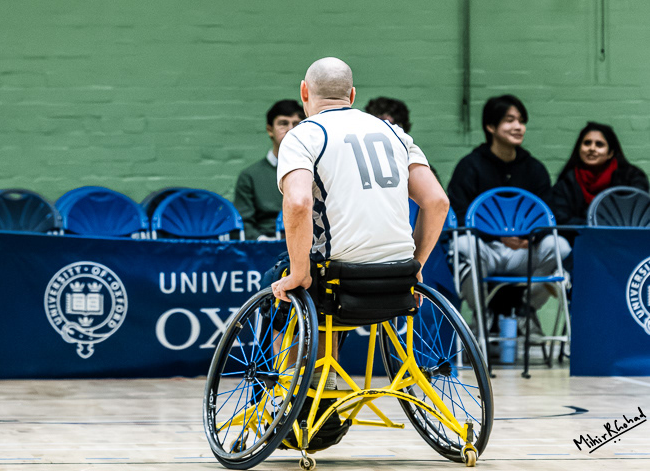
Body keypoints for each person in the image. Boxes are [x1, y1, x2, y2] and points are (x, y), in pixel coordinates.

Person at [270, 57, 448, 400]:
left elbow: (297, 204)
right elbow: (438, 202)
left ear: (304, 92)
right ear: (352, 94)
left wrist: (298, 272)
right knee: (316, 277)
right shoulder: (394, 133)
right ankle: (321, 377)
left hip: (341, 278)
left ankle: (293, 390)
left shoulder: (303, 136)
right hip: (398, 277)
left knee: (284, 279)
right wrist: (417, 266)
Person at [447, 94, 570, 318]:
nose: (518, 127)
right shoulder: (470, 166)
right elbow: (460, 212)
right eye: (510, 120)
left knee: (559, 246)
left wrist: (532, 238)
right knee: (462, 245)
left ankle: (525, 309)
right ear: (491, 126)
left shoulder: (534, 168)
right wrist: (497, 238)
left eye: (521, 121)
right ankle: (484, 316)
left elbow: (547, 214)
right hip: (487, 250)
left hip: (525, 252)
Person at [551, 122, 649, 233]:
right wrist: (594, 227)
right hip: (580, 239)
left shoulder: (631, 177)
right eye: (587, 143)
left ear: (610, 153)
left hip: (623, 238)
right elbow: (561, 218)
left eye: (599, 144)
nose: (592, 148)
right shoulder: (566, 181)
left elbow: (637, 213)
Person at [234, 99, 304, 239]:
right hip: (265, 248)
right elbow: (243, 223)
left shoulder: (315, 172)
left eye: (296, 124)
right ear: (269, 130)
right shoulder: (250, 176)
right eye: (283, 123)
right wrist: (262, 241)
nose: (290, 129)